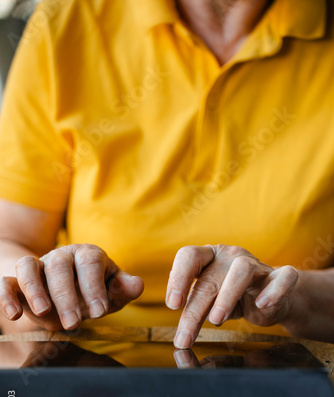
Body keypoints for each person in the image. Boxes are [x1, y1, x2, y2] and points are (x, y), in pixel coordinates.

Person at [0, 0, 334, 354]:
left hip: (292, 383)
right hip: (92, 379)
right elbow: (9, 239)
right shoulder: (67, 21)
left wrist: (292, 296)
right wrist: (41, 286)